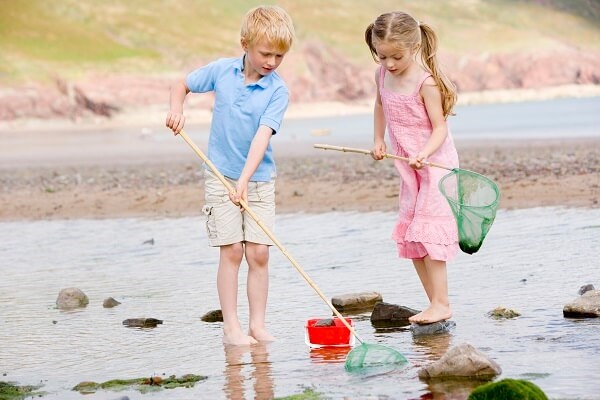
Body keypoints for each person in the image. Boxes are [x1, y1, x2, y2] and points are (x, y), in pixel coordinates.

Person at [165, 5, 295, 345]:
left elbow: (262, 137)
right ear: (245, 44)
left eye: (279, 56)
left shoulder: (277, 91)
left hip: (260, 179)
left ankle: (258, 325)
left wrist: (245, 182)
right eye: (266, 53)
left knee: (259, 253)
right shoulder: (221, 71)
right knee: (232, 250)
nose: (271, 62)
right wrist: (176, 110)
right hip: (220, 175)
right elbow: (182, 85)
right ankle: (231, 328)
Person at [365, 11, 459, 324]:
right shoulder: (382, 76)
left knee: (428, 233)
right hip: (408, 165)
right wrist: (379, 140)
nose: (389, 64)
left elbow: (440, 129)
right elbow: (380, 105)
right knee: (411, 234)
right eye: (383, 57)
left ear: (413, 47)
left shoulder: (425, 82)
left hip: (435, 164)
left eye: (397, 57)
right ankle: (433, 302)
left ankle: (442, 303)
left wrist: (424, 153)